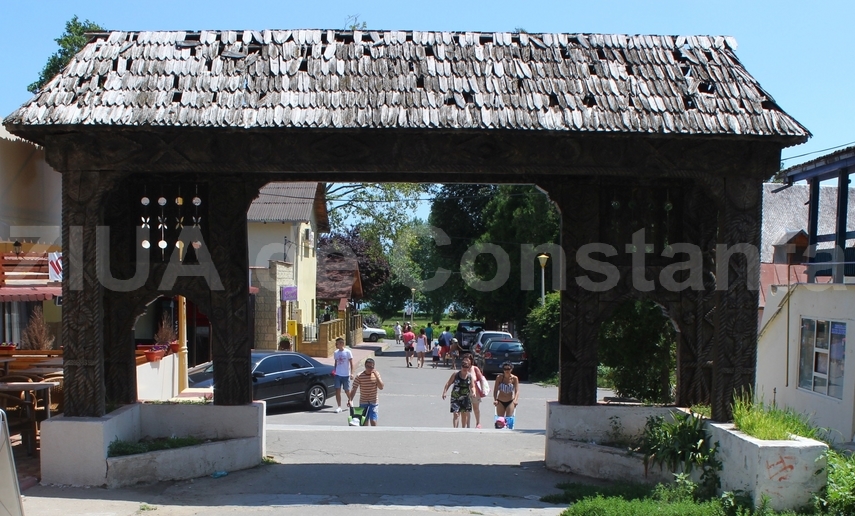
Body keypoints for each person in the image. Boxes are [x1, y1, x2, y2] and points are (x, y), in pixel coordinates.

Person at [347, 357, 384, 426]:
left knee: (373, 420)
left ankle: (374, 432)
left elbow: (381, 387)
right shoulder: (359, 375)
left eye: (371, 367)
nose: (369, 368)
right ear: (365, 366)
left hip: (374, 401)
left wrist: (376, 376)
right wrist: (350, 400)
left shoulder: (376, 374)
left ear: (374, 367)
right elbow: (354, 388)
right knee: (364, 421)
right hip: (363, 401)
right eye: (368, 366)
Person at [442, 355, 476, 428]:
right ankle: (455, 429)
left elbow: (472, 386)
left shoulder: (470, 376)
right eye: (463, 366)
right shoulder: (456, 374)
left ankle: (463, 428)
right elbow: (448, 383)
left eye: (466, 367)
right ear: (461, 366)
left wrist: (473, 392)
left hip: (465, 397)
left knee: (464, 414)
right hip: (455, 397)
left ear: (468, 368)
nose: (465, 368)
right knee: (456, 414)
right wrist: (444, 392)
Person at [462, 352, 487, 428]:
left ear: (471, 360)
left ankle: (478, 423)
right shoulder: (463, 368)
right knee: (466, 409)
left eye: (467, 359)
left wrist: (483, 389)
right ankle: (468, 425)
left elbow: (481, 379)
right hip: (465, 391)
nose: (466, 361)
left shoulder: (475, 368)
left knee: (476, 408)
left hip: (475, 391)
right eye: (465, 359)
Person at [494, 361, 520, 427]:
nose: (506, 371)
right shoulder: (499, 378)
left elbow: (517, 391)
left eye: (508, 369)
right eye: (505, 369)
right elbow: (495, 390)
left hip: (510, 401)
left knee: (509, 420)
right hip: (500, 401)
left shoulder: (514, 378)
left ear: (511, 369)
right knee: (500, 420)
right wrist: (495, 399)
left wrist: (515, 400)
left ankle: (509, 431)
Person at [332, 337, 354, 413]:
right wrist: (334, 370)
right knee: (337, 390)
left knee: (347, 390)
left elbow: (351, 363)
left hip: (346, 375)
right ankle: (339, 407)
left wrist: (351, 373)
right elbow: (336, 363)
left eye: (337, 344)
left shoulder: (348, 352)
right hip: (338, 374)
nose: (336, 345)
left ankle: (350, 401)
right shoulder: (336, 353)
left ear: (342, 344)